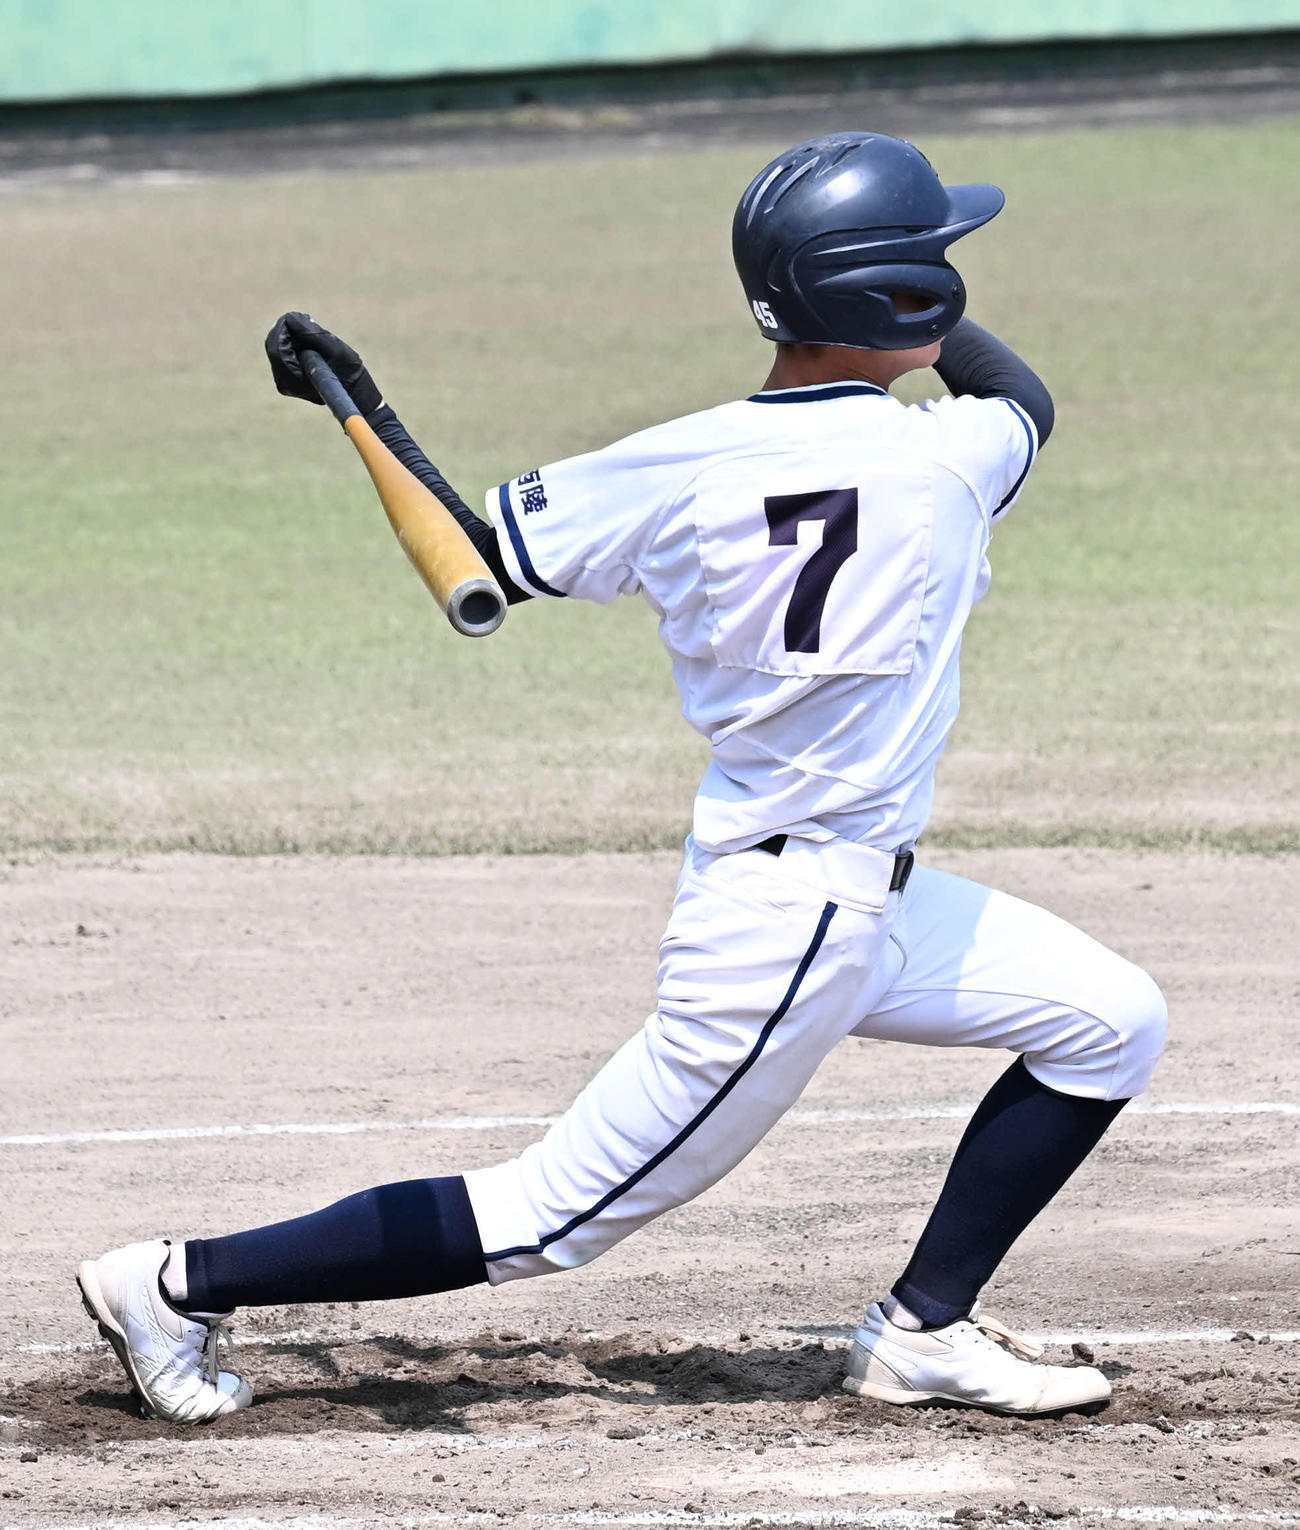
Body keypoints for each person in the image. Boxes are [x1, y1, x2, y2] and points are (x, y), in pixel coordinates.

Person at [77, 131, 1167, 1426]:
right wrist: (938, 306)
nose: (946, 270)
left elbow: (478, 559)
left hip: (837, 895)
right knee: (549, 1215)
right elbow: (1025, 399)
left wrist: (360, 413)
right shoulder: (949, 456)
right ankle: (177, 1281)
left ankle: (922, 1330)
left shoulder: (677, 462)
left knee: (1109, 1016)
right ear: (905, 299)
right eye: (932, 258)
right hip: (792, 935)